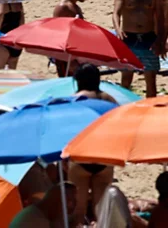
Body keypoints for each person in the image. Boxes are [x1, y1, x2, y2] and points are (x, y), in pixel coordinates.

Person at [68, 64, 115, 222]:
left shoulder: (74, 100)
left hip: (81, 157)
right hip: (104, 158)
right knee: (101, 213)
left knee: (78, 213)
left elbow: (67, 131)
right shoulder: (109, 100)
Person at [113, 0, 165, 98]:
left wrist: (160, 39)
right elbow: (116, 13)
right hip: (128, 37)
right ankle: (124, 104)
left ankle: (150, 107)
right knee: (126, 78)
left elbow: (160, 18)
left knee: (151, 80)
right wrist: (118, 29)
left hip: (148, 38)